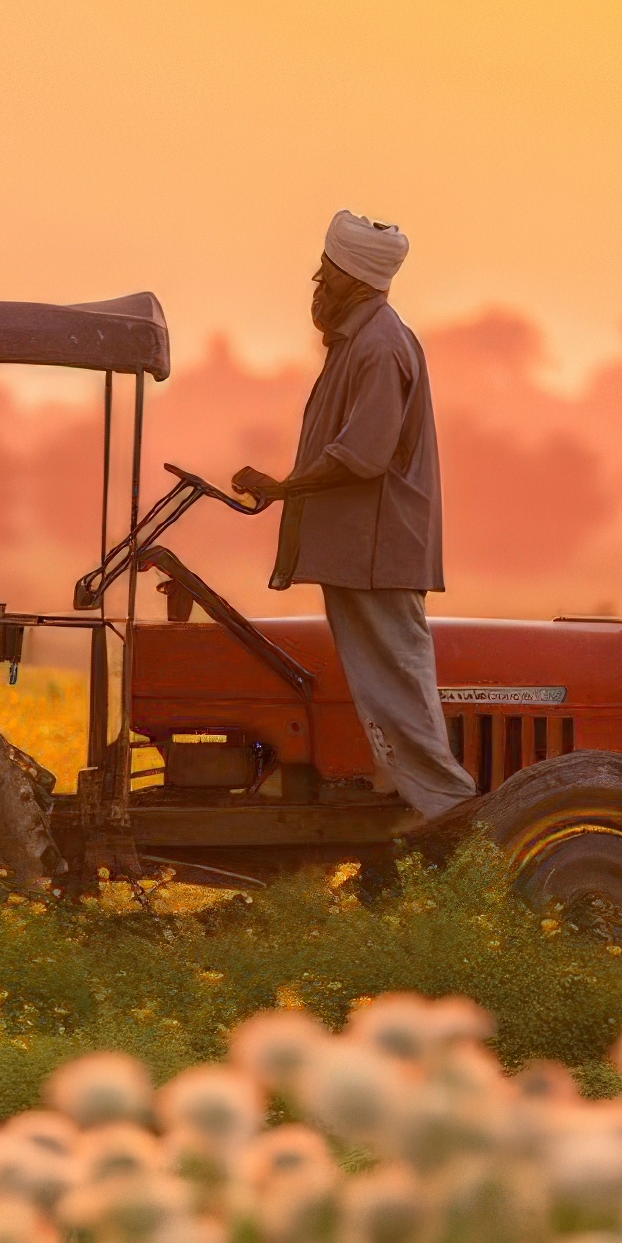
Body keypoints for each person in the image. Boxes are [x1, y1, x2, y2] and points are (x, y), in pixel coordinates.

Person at [230, 211, 478, 824]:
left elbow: (363, 457)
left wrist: (283, 488)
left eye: (328, 272)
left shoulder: (380, 347)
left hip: (377, 549)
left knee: (397, 681)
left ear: (360, 281)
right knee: (379, 681)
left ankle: (449, 812)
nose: (318, 282)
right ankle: (400, 794)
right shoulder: (359, 342)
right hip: (358, 551)